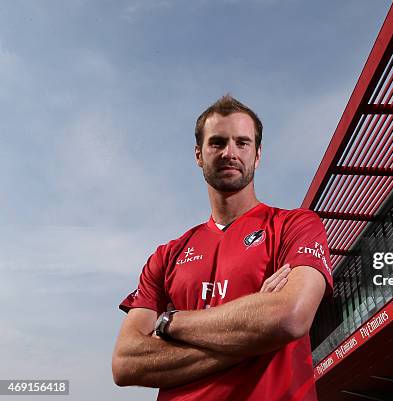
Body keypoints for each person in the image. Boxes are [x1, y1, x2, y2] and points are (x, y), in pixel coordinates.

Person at [111, 95, 333, 401]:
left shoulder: (296, 226)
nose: (230, 152)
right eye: (217, 142)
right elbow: (125, 363)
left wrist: (170, 323)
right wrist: (256, 335)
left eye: (242, 143)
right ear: (199, 154)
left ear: (258, 155)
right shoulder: (166, 256)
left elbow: (290, 316)